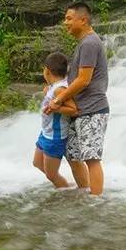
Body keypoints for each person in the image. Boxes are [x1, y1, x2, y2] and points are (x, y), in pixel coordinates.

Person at [44, 2, 110, 196]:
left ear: (83, 20)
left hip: (93, 110)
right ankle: (84, 194)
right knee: (73, 156)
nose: (65, 23)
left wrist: (58, 99)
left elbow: (83, 79)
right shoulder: (84, 43)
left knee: (91, 158)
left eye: (69, 18)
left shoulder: (90, 42)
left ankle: (96, 202)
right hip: (80, 111)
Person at [33, 52, 78, 189]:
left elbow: (73, 109)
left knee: (51, 175)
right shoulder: (55, 87)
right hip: (46, 133)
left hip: (55, 137)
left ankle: (66, 193)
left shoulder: (60, 89)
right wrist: (48, 91)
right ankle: (66, 185)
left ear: (47, 70)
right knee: (37, 163)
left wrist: (55, 109)